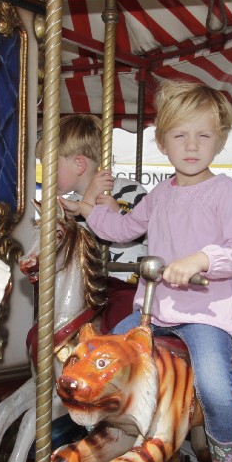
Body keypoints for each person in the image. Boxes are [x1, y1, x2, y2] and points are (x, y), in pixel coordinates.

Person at [62, 80, 232, 462]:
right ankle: (107, 450)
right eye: (180, 136)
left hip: (204, 316)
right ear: (162, 142)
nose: (191, 146)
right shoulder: (160, 195)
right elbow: (123, 229)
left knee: (217, 389)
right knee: (106, 362)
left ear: (220, 141)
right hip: (155, 312)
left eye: (203, 136)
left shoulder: (224, 192)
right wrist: (92, 208)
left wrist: (201, 259)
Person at [55, 114, 147, 333]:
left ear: (79, 164)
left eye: (52, 165)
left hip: (126, 282)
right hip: (83, 288)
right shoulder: (68, 205)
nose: (47, 173)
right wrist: (87, 201)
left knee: (117, 326)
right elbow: (73, 248)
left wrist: (117, 214)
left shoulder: (129, 191)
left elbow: (150, 233)